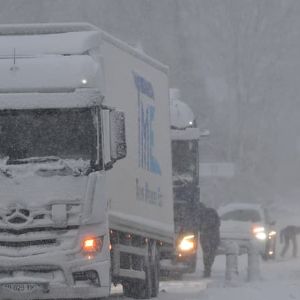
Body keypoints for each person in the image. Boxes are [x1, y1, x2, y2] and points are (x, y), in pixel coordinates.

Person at [197, 204, 221, 278]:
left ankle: (207, 269)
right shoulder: (212, 212)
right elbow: (218, 223)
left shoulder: (200, 215)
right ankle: (208, 268)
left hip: (206, 236)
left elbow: (198, 226)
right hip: (214, 236)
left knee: (206, 253)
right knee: (211, 253)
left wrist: (203, 229)